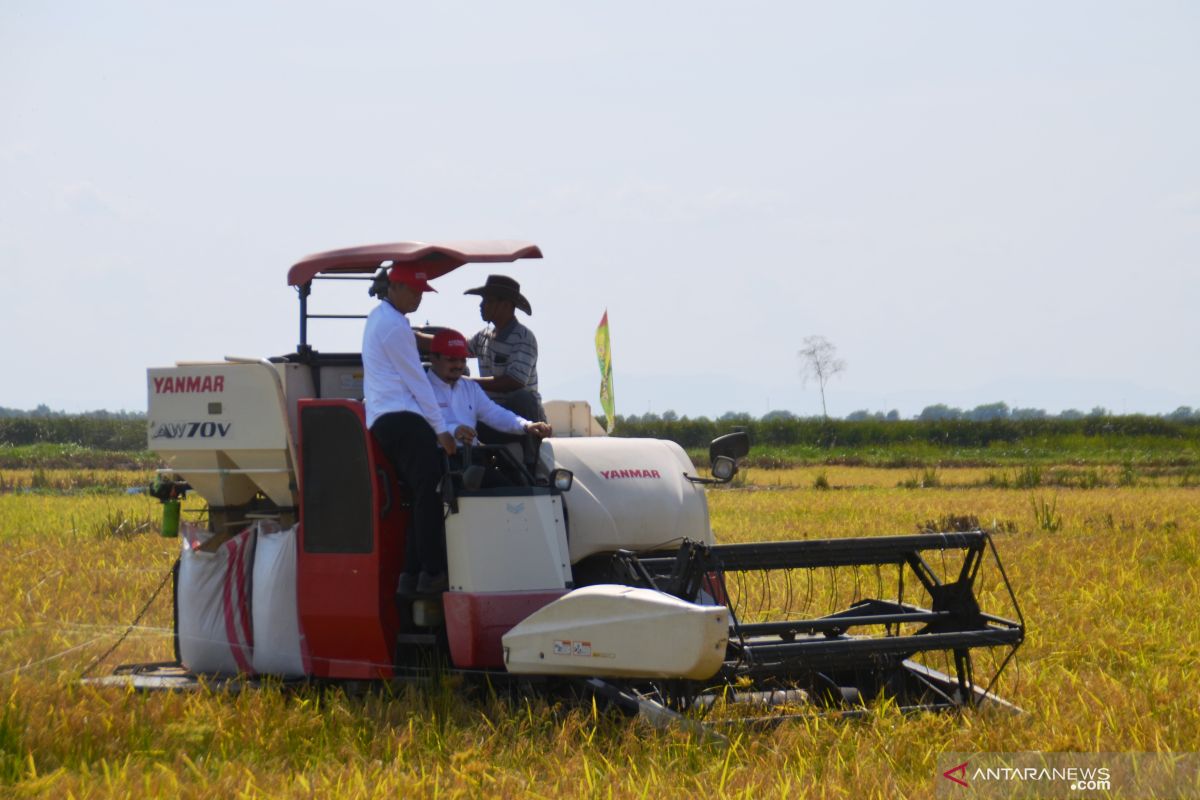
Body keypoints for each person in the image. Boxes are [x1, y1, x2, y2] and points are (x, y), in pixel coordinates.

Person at [363, 264, 456, 597]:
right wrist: (442, 431)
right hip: (404, 418)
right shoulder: (394, 327)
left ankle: (411, 573)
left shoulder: (380, 318)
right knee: (430, 495)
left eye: (422, 293)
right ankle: (432, 570)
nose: (418, 299)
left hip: (384, 417)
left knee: (420, 496)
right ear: (396, 288)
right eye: (414, 292)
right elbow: (418, 381)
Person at [426, 329, 552, 450]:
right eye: (452, 359)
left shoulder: (470, 388)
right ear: (433, 358)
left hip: (470, 459)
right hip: (435, 461)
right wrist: (454, 429)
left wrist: (526, 425)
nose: (458, 365)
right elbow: (422, 424)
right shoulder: (420, 389)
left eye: (463, 359)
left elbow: (494, 413)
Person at [463, 275, 545, 432]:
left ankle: (530, 450)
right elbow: (458, 347)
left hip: (522, 414)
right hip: (494, 415)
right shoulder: (483, 336)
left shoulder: (523, 337)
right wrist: (415, 337)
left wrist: (468, 382)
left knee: (521, 398)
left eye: (488, 301)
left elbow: (514, 382)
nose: (481, 306)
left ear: (506, 305)